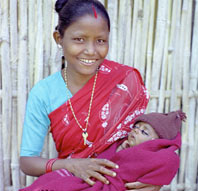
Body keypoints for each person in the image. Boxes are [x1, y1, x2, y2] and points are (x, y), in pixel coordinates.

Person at [19, 0, 161, 190]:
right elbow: (28, 161)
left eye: (100, 40)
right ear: (58, 38)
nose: (91, 51)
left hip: (120, 182)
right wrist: (70, 165)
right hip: (71, 182)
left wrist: (154, 179)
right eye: (79, 39)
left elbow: (149, 142)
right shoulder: (44, 93)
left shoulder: (125, 82)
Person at [19, 110, 186, 191]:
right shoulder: (122, 143)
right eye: (136, 127)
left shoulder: (156, 156)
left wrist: (155, 182)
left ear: (157, 143)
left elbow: (169, 162)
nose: (135, 131)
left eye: (144, 132)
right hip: (91, 176)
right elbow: (108, 159)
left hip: (109, 186)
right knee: (57, 180)